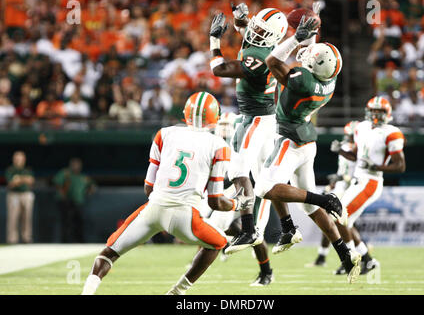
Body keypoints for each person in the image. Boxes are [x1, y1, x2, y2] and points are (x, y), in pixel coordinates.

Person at [81, 92, 252, 295]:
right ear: (215, 117)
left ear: (185, 114)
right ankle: (177, 292)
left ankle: (86, 293)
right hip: (186, 216)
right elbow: (216, 201)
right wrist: (237, 204)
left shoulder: (165, 133)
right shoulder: (218, 146)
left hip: (153, 209)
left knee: (108, 253)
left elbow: (148, 188)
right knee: (218, 242)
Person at [253, 15, 361, 283]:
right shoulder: (329, 81)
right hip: (307, 141)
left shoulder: (302, 80)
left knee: (264, 187)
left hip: (289, 138)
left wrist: (295, 38)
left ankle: (324, 200)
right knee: (308, 207)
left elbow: (272, 61)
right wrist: (310, 33)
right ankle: (345, 254)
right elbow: (312, 58)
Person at [208, 4, 287, 254]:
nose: (256, 33)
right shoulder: (268, 49)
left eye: (263, 32)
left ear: (272, 37)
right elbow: (250, 33)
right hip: (266, 117)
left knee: (238, 170)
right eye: (257, 29)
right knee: (265, 178)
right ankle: (288, 227)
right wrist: (242, 20)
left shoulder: (260, 58)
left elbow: (219, 69)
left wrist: (214, 40)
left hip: (255, 118)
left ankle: (249, 228)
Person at [333, 96, 406, 275]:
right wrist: (341, 150)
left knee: (340, 218)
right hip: (357, 180)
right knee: (345, 221)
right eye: (373, 110)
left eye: (379, 111)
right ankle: (368, 260)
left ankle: (349, 257)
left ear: (387, 113)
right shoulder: (361, 127)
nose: (375, 114)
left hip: (371, 181)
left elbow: (400, 166)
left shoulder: (392, 132)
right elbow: (357, 157)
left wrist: (376, 166)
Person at [208, 112, 274, 286]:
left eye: (226, 125)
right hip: (231, 190)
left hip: (252, 190)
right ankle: (228, 244)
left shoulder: (245, 140)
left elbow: (250, 174)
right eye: (220, 124)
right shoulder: (217, 143)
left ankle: (266, 272)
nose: (223, 129)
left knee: (254, 232)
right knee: (217, 225)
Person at [307, 120, 360, 267]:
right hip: (340, 187)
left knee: (341, 222)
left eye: (350, 136)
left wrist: (342, 178)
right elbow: (342, 171)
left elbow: (359, 173)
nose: (347, 139)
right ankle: (323, 257)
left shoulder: (360, 149)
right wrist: (333, 184)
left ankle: (358, 256)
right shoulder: (345, 147)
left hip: (351, 188)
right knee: (330, 221)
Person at [53, 158, 95, 243]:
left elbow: (92, 186)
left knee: (79, 223)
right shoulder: (66, 173)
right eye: (74, 164)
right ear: (71, 165)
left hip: (79, 203)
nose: (76, 166)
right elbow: (57, 183)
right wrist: (63, 196)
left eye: (78, 164)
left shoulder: (83, 177)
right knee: (66, 222)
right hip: (66, 202)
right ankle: (65, 241)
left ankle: (79, 241)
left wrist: (88, 192)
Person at [5, 151, 35, 244]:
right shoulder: (10, 170)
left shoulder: (27, 170)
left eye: (20, 159)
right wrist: (23, 179)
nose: (18, 160)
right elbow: (11, 183)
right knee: (13, 217)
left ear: (24, 159)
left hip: (26, 194)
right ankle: (12, 240)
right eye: (16, 159)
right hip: (14, 195)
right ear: (14, 160)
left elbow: (31, 181)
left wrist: (19, 179)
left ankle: (26, 238)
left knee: (27, 217)